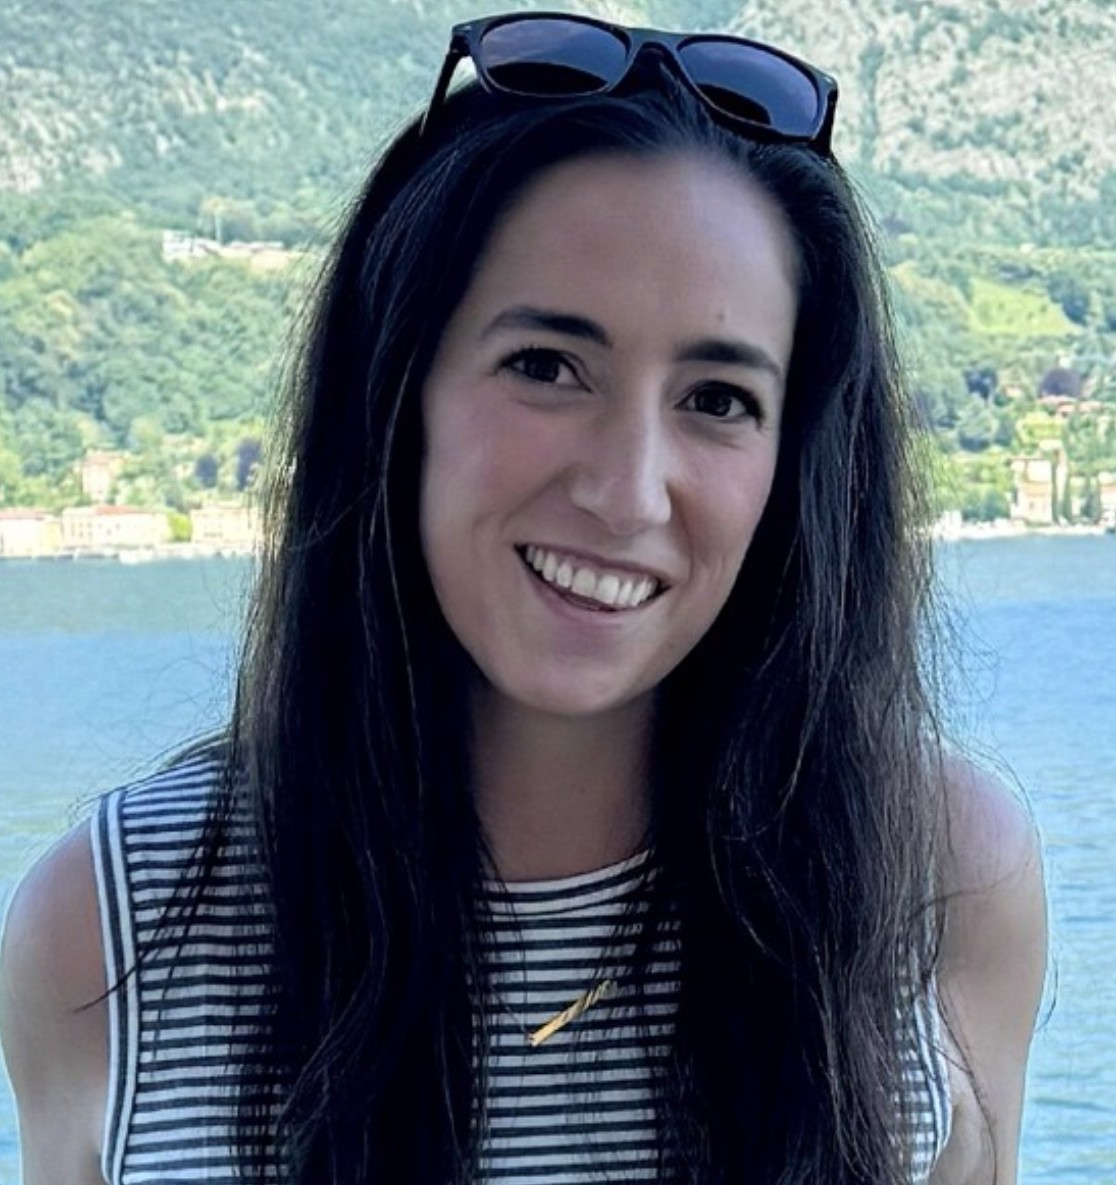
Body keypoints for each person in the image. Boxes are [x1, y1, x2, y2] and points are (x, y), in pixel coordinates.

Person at [0, 12, 1046, 1185]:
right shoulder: (108, 929)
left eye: (718, 398)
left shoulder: (939, 871)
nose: (625, 490)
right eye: (547, 367)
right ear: (401, 400)